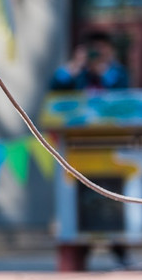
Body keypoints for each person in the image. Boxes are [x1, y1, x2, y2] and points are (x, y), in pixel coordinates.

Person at [50, 31, 130, 267]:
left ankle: (119, 249)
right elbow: (56, 86)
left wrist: (104, 68)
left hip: (110, 149)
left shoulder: (117, 72)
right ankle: (81, 251)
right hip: (78, 152)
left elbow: (121, 91)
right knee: (79, 200)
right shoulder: (78, 73)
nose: (96, 55)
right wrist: (76, 65)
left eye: (100, 50)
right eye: (92, 50)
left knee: (114, 200)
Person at [50, 31, 128, 91]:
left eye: (102, 47)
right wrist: (74, 66)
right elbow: (56, 86)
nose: (98, 51)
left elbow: (121, 91)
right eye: (94, 47)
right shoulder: (80, 71)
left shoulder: (119, 71)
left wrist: (102, 72)